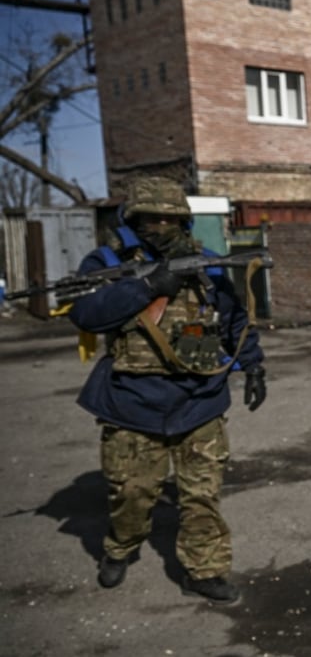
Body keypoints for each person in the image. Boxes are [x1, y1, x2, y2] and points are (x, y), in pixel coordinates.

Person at [68, 176, 267, 604]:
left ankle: (204, 569)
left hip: (200, 402)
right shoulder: (106, 262)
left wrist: (253, 365)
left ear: (183, 220)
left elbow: (234, 320)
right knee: (131, 494)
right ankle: (120, 548)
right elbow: (85, 313)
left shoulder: (208, 265)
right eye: (149, 218)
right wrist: (147, 287)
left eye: (169, 218)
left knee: (201, 497)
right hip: (131, 403)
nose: (159, 225)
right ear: (132, 219)